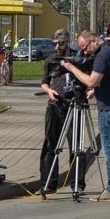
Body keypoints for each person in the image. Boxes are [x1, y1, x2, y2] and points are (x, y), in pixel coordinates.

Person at [63, 30, 110, 202]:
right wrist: (108, 83)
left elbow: (91, 81)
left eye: (84, 47)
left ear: (94, 41)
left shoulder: (102, 56)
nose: (84, 52)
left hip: (109, 108)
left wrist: (72, 68)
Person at [39, 29, 89, 193]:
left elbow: (89, 77)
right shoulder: (51, 59)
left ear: (67, 42)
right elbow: (44, 82)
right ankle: (48, 183)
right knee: (50, 144)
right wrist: (48, 91)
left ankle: (77, 184)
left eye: (60, 44)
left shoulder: (77, 57)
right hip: (55, 104)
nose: (57, 47)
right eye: (54, 44)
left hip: (75, 105)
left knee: (76, 145)